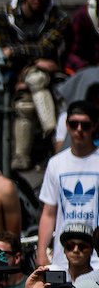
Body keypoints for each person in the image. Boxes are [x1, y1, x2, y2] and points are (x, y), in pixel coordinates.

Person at [0, 0, 71, 171]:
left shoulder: (59, 18)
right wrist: (35, 62)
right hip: (16, 75)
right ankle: (50, 131)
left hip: (49, 76)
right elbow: (3, 55)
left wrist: (16, 54)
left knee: (32, 87)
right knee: (34, 81)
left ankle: (21, 157)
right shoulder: (2, 15)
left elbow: (46, 47)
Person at [37, 101, 99, 270]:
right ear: (67, 125)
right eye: (74, 124)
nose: (79, 129)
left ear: (94, 126)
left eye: (85, 125)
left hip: (96, 260)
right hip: (63, 259)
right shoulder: (56, 163)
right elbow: (49, 213)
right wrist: (41, 252)